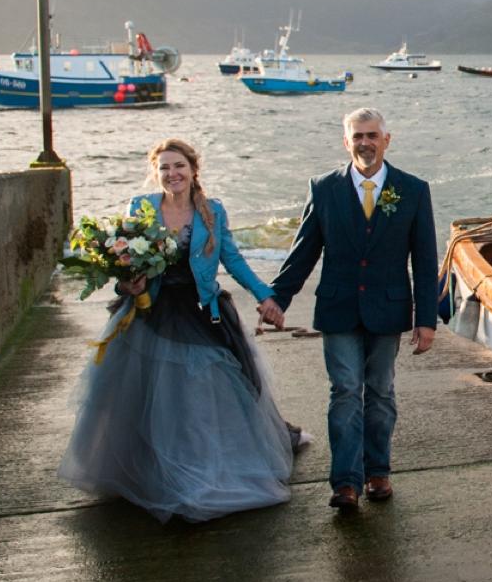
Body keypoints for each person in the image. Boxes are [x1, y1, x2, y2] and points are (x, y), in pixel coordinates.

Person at [59, 139, 302, 523]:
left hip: (200, 307)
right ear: (156, 173)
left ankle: (204, 467)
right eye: (165, 168)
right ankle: (152, 470)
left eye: (179, 167)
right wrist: (128, 287)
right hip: (150, 310)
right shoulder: (141, 208)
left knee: (205, 391)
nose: (172, 174)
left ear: (193, 170)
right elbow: (125, 267)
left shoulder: (212, 212)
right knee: (149, 396)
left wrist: (266, 297)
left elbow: (232, 260)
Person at [263, 108, 437, 510]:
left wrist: (426, 320)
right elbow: (303, 251)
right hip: (338, 307)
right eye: (357, 136)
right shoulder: (324, 188)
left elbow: (425, 262)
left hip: (389, 309)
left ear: (386, 140)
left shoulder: (412, 189)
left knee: (380, 393)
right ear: (346, 142)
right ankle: (345, 483)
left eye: (372, 135)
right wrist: (278, 298)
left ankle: (378, 471)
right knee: (344, 392)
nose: (365, 143)